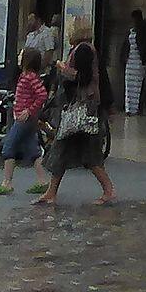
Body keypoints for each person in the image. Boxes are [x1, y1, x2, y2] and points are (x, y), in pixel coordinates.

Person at [37, 15, 115, 208]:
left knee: (86, 153)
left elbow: (84, 77)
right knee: (63, 149)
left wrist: (63, 69)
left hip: (82, 109)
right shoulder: (83, 49)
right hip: (80, 108)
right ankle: (51, 192)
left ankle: (108, 189)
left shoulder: (83, 50)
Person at [0, 48, 50, 196]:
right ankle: (43, 181)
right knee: (32, 149)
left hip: (25, 120)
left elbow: (42, 95)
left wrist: (29, 110)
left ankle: (7, 183)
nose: (18, 56)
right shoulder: (26, 76)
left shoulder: (28, 77)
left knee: (9, 145)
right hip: (27, 119)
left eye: (21, 55)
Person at [119, 9, 146, 119]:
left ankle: (135, 108)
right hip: (130, 60)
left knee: (137, 86)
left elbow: (144, 47)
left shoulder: (143, 31)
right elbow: (125, 46)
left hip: (138, 61)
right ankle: (128, 108)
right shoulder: (130, 31)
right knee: (129, 85)